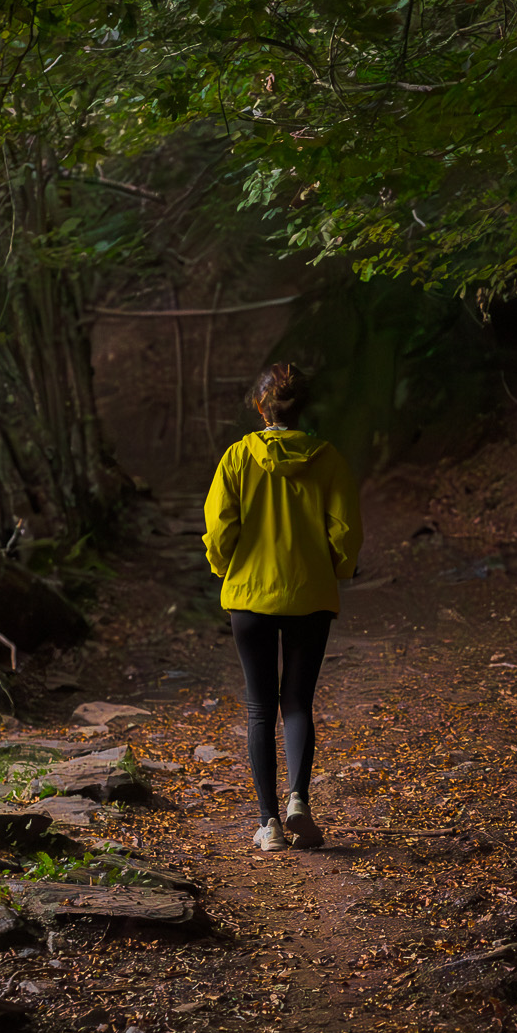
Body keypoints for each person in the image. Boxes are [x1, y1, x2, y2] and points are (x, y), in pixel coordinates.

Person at [202, 362, 363, 852]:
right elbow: (346, 531)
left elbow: (219, 529)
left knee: (258, 707)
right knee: (296, 702)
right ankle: (299, 801)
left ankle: (268, 824)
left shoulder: (237, 458)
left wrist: (224, 566)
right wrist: (335, 568)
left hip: (249, 598)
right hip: (309, 596)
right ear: (304, 408)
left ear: (260, 406)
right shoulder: (327, 458)